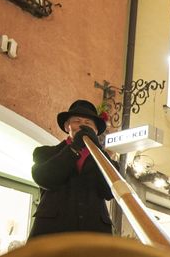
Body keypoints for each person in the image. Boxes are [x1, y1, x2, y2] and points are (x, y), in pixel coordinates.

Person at [27, 99, 114, 240]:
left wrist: (97, 150)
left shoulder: (103, 160)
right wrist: (74, 148)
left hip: (93, 236)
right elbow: (44, 178)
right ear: (67, 126)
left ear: (96, 131)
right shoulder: (46, 153)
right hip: (52, 233)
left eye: (88, 124)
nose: (82, 126)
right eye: (77, 121)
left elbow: (110, 190)